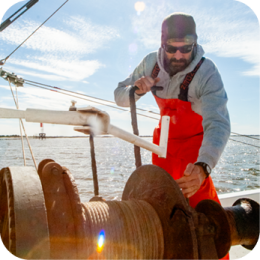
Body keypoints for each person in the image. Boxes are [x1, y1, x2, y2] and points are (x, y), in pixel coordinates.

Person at [114, 13, 230, 260]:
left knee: (204, 214)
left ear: (195, 44)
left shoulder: (207, 72)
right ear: (162, 44)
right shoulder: (149, 64)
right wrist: (135, 90)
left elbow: (218, 123)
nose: (178, 55)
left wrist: (203, 166)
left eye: (186, 49)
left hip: (195, 151)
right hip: (162, 148)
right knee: (160, 207)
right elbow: (119, 96)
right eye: (171, 49)